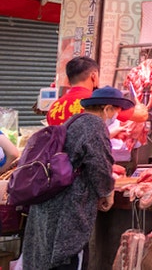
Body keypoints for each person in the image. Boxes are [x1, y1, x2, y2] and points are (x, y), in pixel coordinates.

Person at [23, 86, 130, 270]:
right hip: (68, 210)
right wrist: (107, 192)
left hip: (50, 206)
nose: (116, 117)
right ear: (107, 109)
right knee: (69, 260)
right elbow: (100, 165)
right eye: (116, 111)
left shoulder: (74, 121)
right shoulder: (94, 125)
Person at [46, 56, 136, 126]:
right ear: (94, 76)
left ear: (69, 80)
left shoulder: (54, 106)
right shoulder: (96, 101)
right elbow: (140, 116)